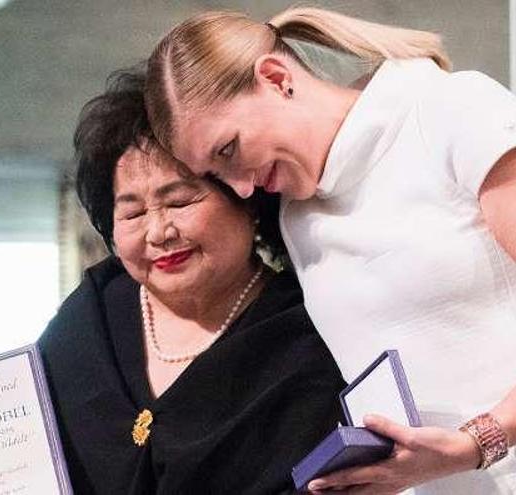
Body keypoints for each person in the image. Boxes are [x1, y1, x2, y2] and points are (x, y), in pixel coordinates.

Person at [143, 6, 516, 494]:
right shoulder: (296, 219)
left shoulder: (448, 109)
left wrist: (479, 441)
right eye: (215, 175)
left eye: (229, 150)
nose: (239, 187)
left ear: (276, 78)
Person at [38, 68, 344, 494]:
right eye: (132, 213)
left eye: (179, 200)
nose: (158, 232)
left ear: (246, 196)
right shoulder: (91, 317)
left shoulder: (305, 334)